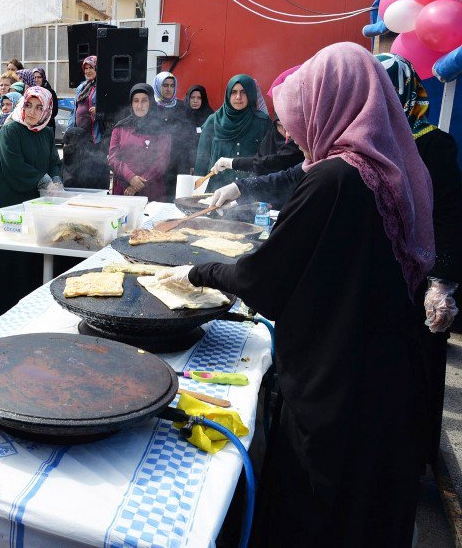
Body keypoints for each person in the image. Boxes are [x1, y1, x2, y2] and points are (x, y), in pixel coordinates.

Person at [158, 42, 434, 546]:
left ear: (332, 104)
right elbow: (295, 183)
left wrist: (201, 271)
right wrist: (241, 187)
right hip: (389, 373)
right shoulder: (385, 168)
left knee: (319, 513)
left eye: (302, 113)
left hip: (339, 378)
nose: (297, 129)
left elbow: (263, 281)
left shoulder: (336, 178)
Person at [0, 86, 61, 321]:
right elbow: (14, 164)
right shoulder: (10, 130)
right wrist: (43, 180)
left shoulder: (46, 132)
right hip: (5, 197)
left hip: (32, 199)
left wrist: (57, 179)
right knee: (4, 250)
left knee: (25, 253)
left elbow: (53, 161)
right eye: (29, 105)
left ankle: (23, 302)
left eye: (39, 107)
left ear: (46, 110)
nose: (32, 112)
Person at [193, 74, 271, 192]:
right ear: (228, 94)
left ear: (251, 94)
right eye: (234, 92)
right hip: (215, 192)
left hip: (249, 192)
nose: (238, 97)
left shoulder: (262, 122)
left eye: (244, 92)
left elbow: (268, 160)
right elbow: (202, 160)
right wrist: (197, 192)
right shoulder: (213, 121)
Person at [108, 84, 172, 200]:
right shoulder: (120, 128)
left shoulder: (162, 129)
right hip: (123, 189)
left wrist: (138, 184)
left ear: (151, 102)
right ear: (131, 104)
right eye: (136, 101)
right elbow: (113, 158)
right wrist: (131, 177)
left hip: (151, 190)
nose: (140, 105)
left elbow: (162, 161)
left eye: (144, 101)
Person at [71, 56, 99, 142]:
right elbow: (73, 112)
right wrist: (69, 132)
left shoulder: (101, 87)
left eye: (91, 67)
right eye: (86, 68)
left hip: (94, 135)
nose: (88, 71)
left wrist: (99, 110)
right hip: (79, 135)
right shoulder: (81, 87)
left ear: (97, 68)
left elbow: (109, 108)